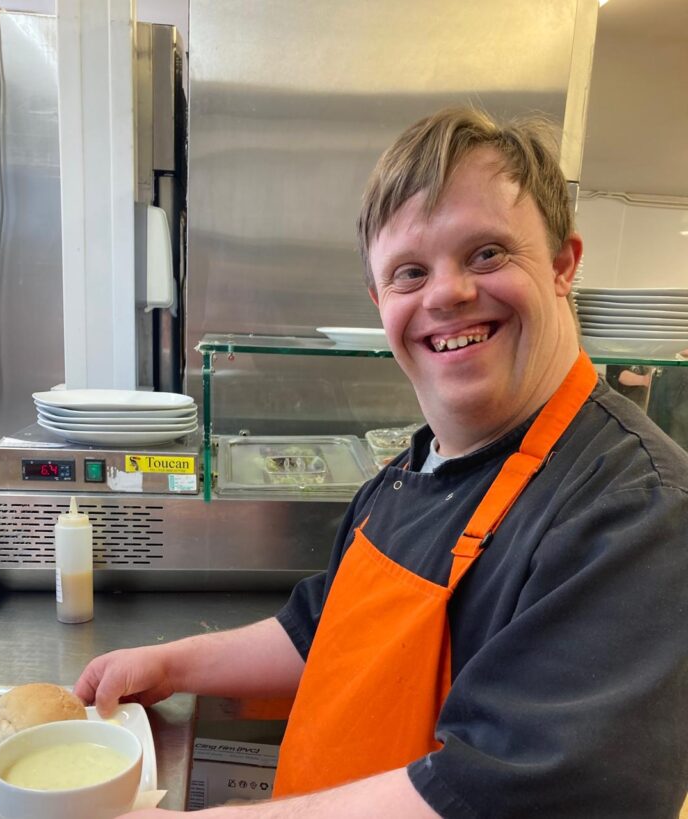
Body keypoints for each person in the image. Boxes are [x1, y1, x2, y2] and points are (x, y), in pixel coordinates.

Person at [75, 107, 688, 818]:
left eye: (487, 253)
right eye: (409, 271)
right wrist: (169, 663)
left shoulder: (637, 509)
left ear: (562, 265)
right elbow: (317, 631)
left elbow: (501, 794)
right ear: (379, 300)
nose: (446, 294)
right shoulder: (409, 471)